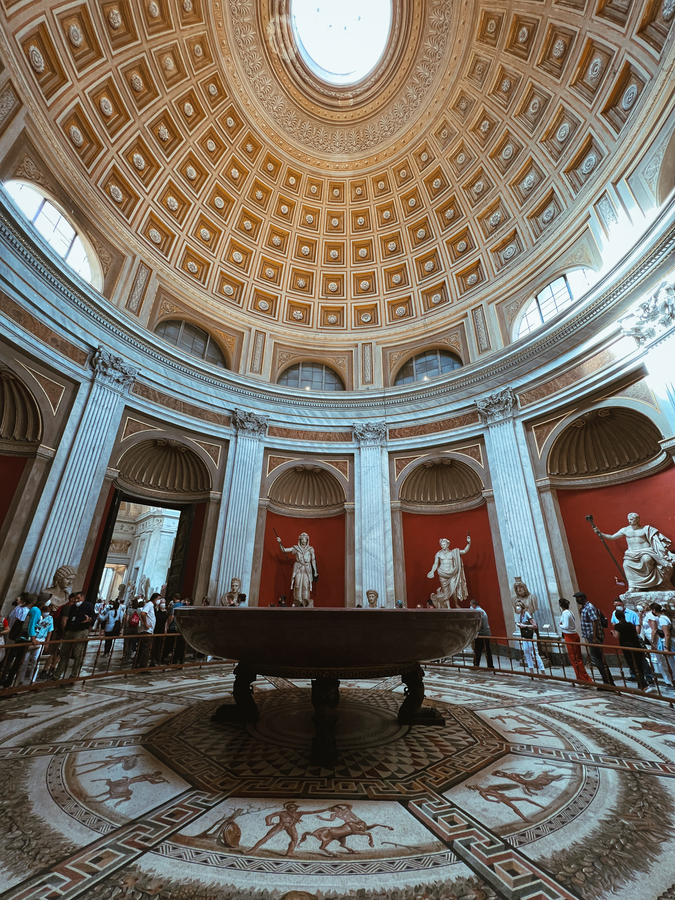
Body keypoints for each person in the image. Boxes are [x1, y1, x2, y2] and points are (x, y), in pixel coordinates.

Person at [592, 513, 675, 592]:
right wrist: (600, 533)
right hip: (631, 553)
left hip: (645, 551)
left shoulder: (645, 529)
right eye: (628, 519)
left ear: (637, 519)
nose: (629, 521)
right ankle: (633, 586)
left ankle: (650, 584)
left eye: (631, 519)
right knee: (626, 564)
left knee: (647, 560)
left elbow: (655, 538)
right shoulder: (625, 530)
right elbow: (612, 537)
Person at [611, 599, 654, 685]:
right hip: (634, 643)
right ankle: (639, 679)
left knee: (636, 662)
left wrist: (613, 633)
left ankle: (645, 680)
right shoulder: (630, 624)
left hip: (627, 644)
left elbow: (618, 635)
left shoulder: (623, 622)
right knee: (637, 662)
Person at [574, 592, 614, 686]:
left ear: (583, 598)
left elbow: (595, 621)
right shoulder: (585, 608)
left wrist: (595, 637)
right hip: (590, 636)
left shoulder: (590, 607)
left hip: (594, 636)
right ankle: (607, 681)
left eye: (578, 598)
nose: (577, 600)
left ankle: (608, 682)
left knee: (597, 659)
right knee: (597, 659)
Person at [54, 591, 95, 680]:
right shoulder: (72, 607)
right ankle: (57, 675)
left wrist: (89, 620)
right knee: (64, 653)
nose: (76, 600)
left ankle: (74, 675)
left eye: (78, 599)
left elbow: (93, 617)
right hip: (70, 630)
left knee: (77, 654)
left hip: (81, 631)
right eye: (75, 598)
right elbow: (68, 619)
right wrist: (66, 631)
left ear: (83, 598)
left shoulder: (88, 606)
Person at [427, 535, 471, 608]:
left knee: (453, 589)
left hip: (452, 573)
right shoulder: (439, 554)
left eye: (444, 545)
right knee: (445, 592)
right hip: (442, 574)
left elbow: (465, 551)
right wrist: (432, 571)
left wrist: (468, 543)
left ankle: (456, 604)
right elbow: (435, 563)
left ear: (448, 545)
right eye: (442, 545)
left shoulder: (453, 552)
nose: (443, 546)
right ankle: (448, 607)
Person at [276, 533, 318, 607]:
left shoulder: (310, 549)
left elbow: (313, 560)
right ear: (300, 540)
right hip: (298, 568)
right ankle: (298, 601)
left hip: (306, 569)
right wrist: (280, 542)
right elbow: (284, 550)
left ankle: (305, 601)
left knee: (305, 586)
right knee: (297, 585)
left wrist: (315, 571)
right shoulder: (296, 548)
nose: (303, 541)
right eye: (302, 539)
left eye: (305, 539)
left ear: (307, 540)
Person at [19, 599, 54, 685]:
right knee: (25, 661)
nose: (47, 613)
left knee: (36, 661)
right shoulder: (37, 614)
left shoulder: (50, 618)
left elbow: (50, 630)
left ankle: (32, 680)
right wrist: (33, 638)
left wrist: (47, 642)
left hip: (41, 640)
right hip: (32, 639)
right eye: (46, 611)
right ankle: (20, 680)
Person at [558, 598, 592, 683]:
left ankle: (583, 678)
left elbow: (566, 626)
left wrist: (559, 625)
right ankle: (581, 677)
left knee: (575, 659)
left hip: (570, 636)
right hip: (572, 635)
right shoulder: (569, 611)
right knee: (576, 658)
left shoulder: (565, 613)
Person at [644, 602, 675, 689]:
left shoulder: (662, 619)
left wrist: (666, 647)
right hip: (664, 642)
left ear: (654, 610)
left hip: (668, 643)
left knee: (673, 663)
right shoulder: (662, 618)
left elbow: (667, 635)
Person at [514, 600, 545, 673]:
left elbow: (535, 625)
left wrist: (525, 626)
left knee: (534, 653)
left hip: (531, 635)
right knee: (526, 652)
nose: (517, 607)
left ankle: (542, 670)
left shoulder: (527, 614)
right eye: (516, 606)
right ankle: (531, 669)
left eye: (518, 606)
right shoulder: (519, 616)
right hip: (525, 635)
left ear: (522, 607)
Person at [135, 593, 158, 669]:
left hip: (149, 630)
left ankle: (137, 664)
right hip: (146, 630)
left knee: (142, 648)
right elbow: (143, 613)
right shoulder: (149, 605)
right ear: (154, 599)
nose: (159, 601)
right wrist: (145, 623)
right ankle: (143, 666)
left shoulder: (152, 606)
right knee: (145, 649)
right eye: (158, 599)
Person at [470, 599, 494, 668]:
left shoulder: (478, 611)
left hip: (482, 633)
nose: (471, 607)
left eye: (471, 605)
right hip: (487, 632)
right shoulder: (482, 610)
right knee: (488, 650)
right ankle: (490, 665)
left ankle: (476, 664)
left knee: (478, 649)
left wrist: (476, 632)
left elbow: (479, 624)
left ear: (474, 605)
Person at [151, 597, 169, 666]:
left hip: (162, 630)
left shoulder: (166, 612)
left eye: (164, 602)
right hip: (156, 629)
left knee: (160, 645)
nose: (163, 604)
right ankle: (153, 659)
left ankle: (159, 658)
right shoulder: (156, 611)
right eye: (162, 602)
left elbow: (166, 622)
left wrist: (165, 629)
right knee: (154, 644)